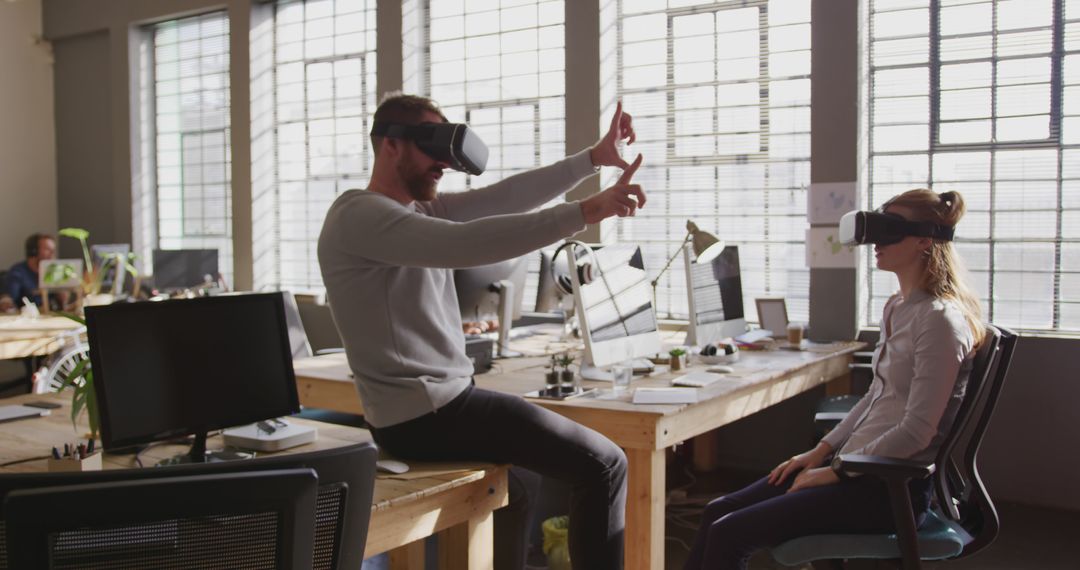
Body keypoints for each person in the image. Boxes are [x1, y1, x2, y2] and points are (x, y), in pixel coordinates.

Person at [318, 93, 646, 570]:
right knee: (606, 465)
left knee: (520, 487)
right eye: (434, 149)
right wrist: (584, 212)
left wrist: (592, 160)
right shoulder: (358, 215)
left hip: (441, 404)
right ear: (391, 144)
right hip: (426, 413)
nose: (443, 165)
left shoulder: (415, 211)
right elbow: (465, 244)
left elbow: (501, 199)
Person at [683, 189, 986, 570]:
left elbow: (918, 431)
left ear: (925, 240)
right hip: (857, 465)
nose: (875, 242)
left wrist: (837, 472)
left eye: (889, 229)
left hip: (886, 488)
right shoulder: (898, 306)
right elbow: (878, 396)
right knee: (717, 510)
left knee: (731, 532)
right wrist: (821, 452)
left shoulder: (940, 321)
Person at [0, 233, 57, 313]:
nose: (52, 254)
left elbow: (61, 305)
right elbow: (8, 302)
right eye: (47, 249)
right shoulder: (18, 272)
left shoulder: (52, 273)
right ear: (34, 251)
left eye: (53, 250)